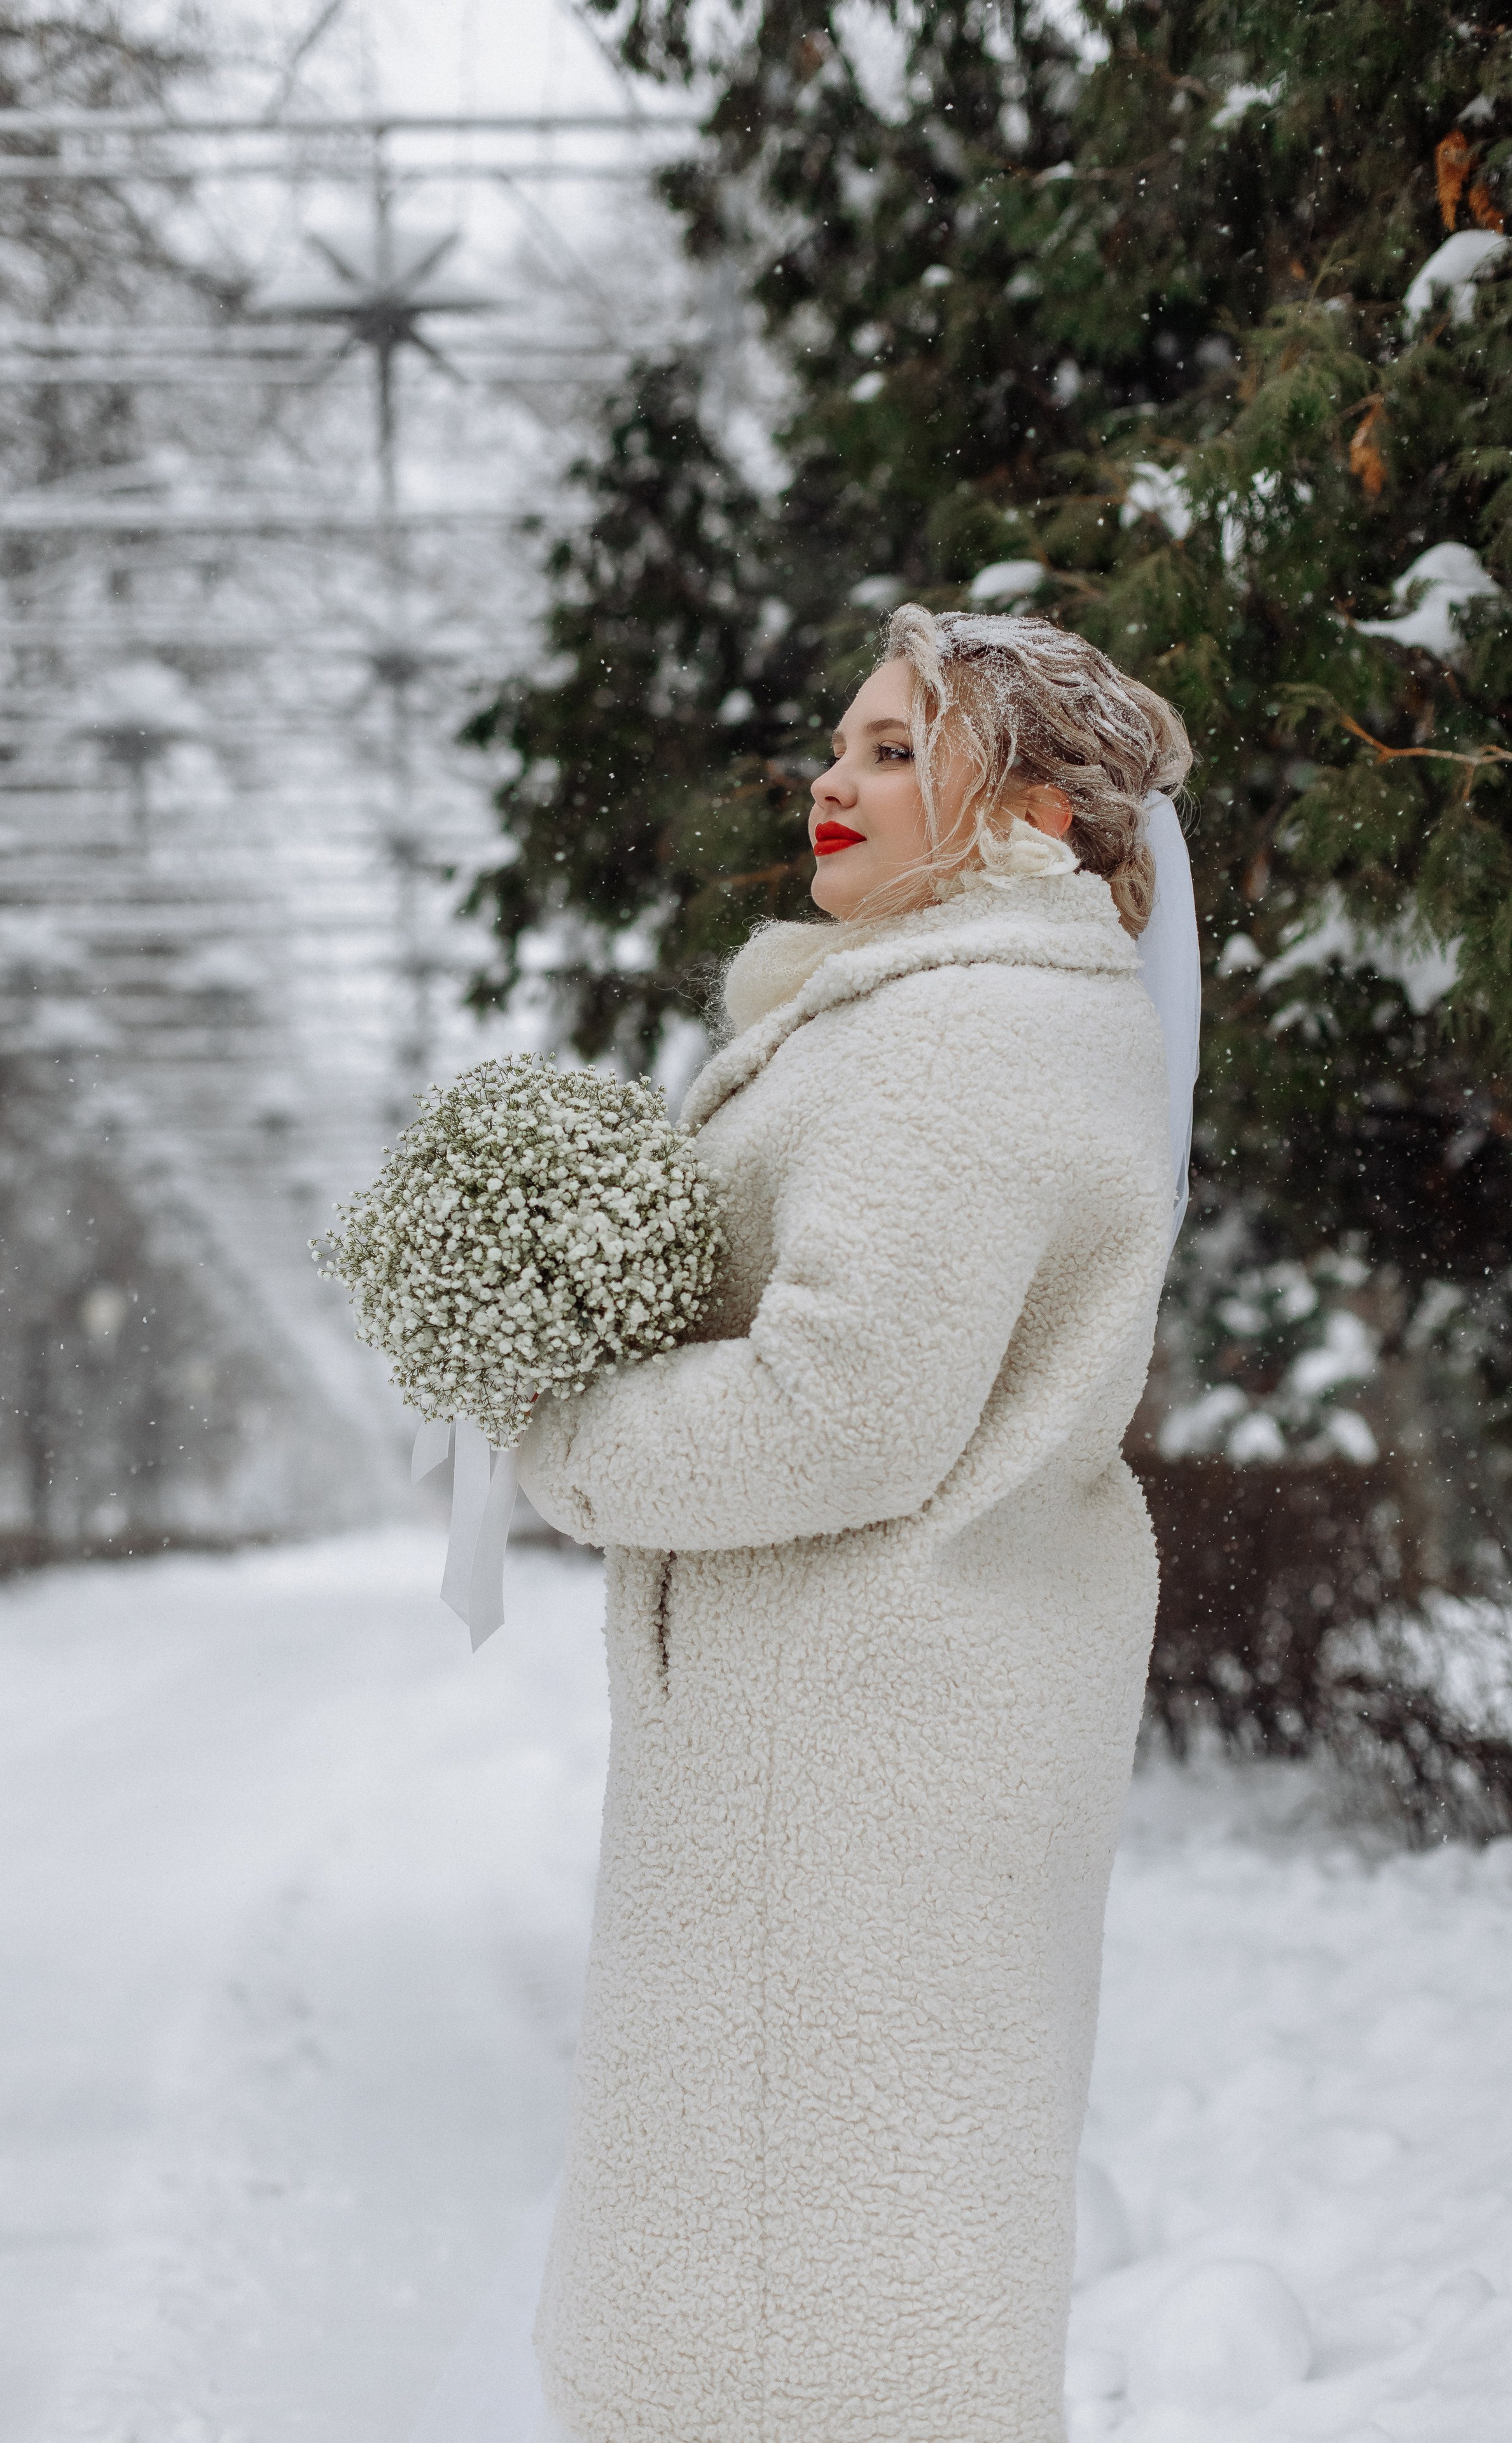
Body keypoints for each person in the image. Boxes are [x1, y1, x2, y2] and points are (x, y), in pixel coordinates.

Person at [429, 605, 1198, 2443]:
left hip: (858, 1743)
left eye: (887, 747)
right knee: (858, 2255)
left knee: (792, 2309)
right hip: (886, 1724)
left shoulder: (963, 1039)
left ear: (1026, 810)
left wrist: (567, 1434)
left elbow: (842, 1409)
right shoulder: (979, 1015)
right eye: (836, 745)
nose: (829, 782)